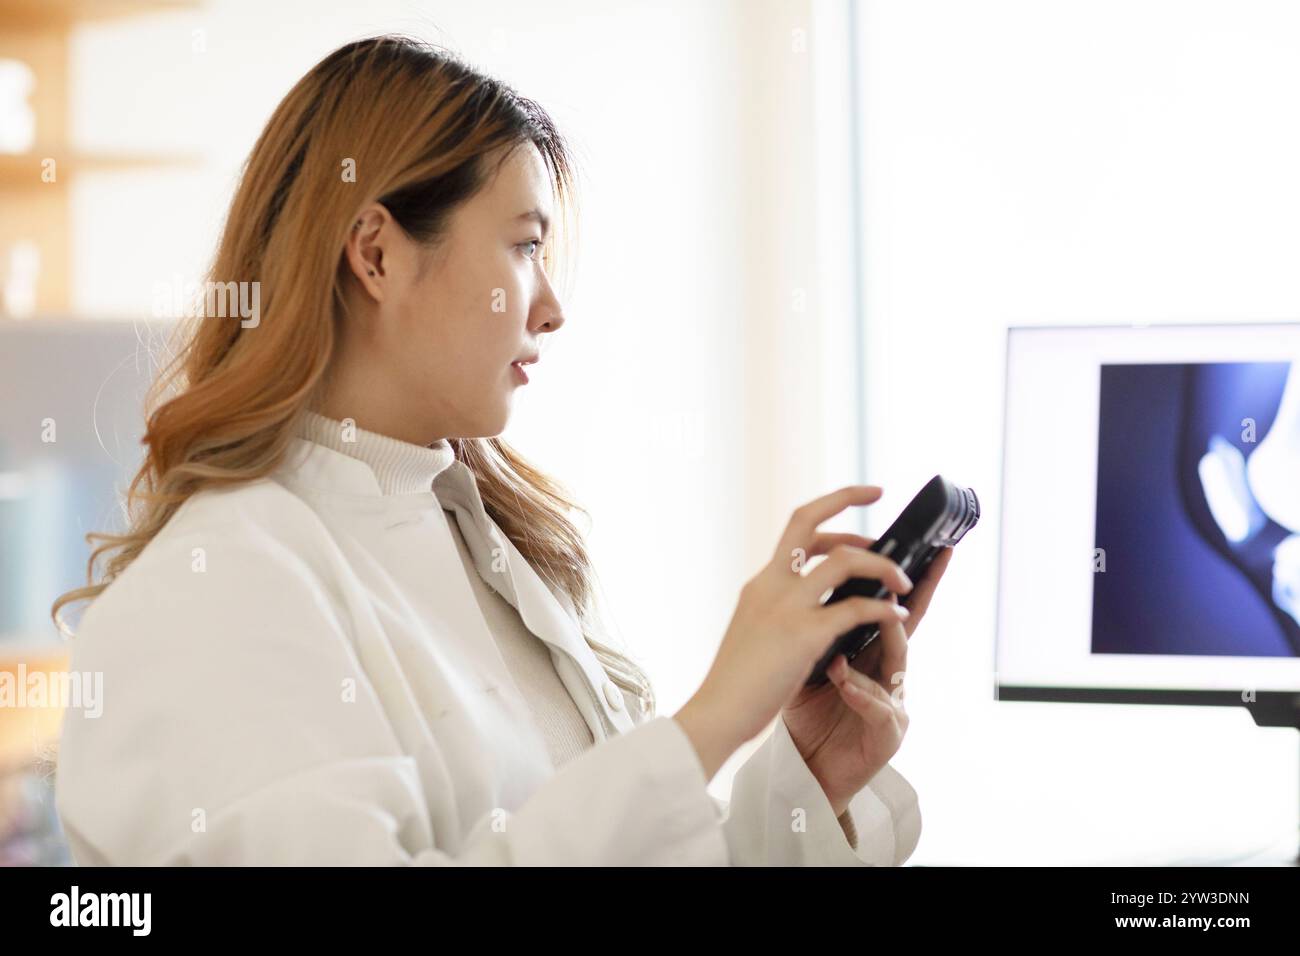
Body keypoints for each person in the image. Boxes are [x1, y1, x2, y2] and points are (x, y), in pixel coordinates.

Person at [51, 34, 953, 866]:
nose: (552, 307)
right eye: (524, 245)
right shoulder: (218, 586)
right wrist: (710, 722)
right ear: (375, 254)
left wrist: (803, 781)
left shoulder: (495, 552)